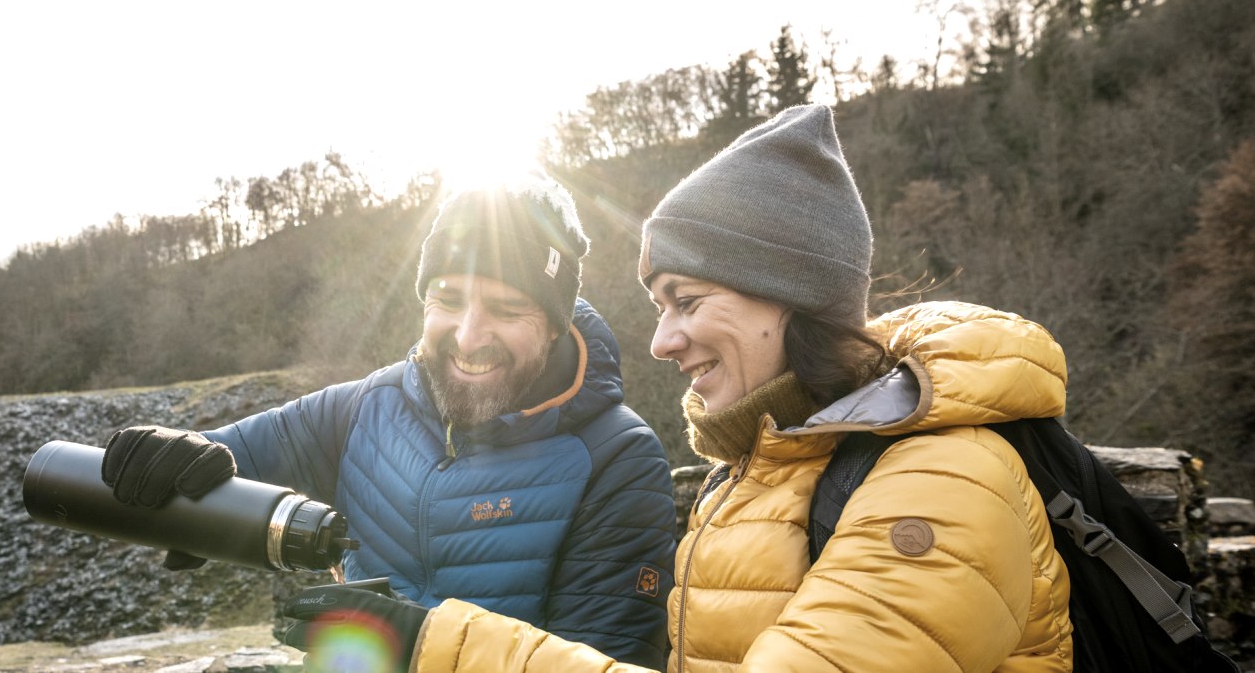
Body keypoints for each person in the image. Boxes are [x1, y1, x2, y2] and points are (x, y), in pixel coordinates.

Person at [277, 105, 1075, 672]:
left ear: (788, 294)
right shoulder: (763, 473)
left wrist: (433, 647)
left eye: (686, 302)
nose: (662, 341)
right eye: (659, 308)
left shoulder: (943, 485)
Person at [99, 178, 679, 668]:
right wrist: (174, 457)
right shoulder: (360, 408)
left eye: (505, 309)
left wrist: (416, 646)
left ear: (554, 325)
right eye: (448, 300)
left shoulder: (617, 459)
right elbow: (225, 459)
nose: (470, 336)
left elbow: (603, 661)